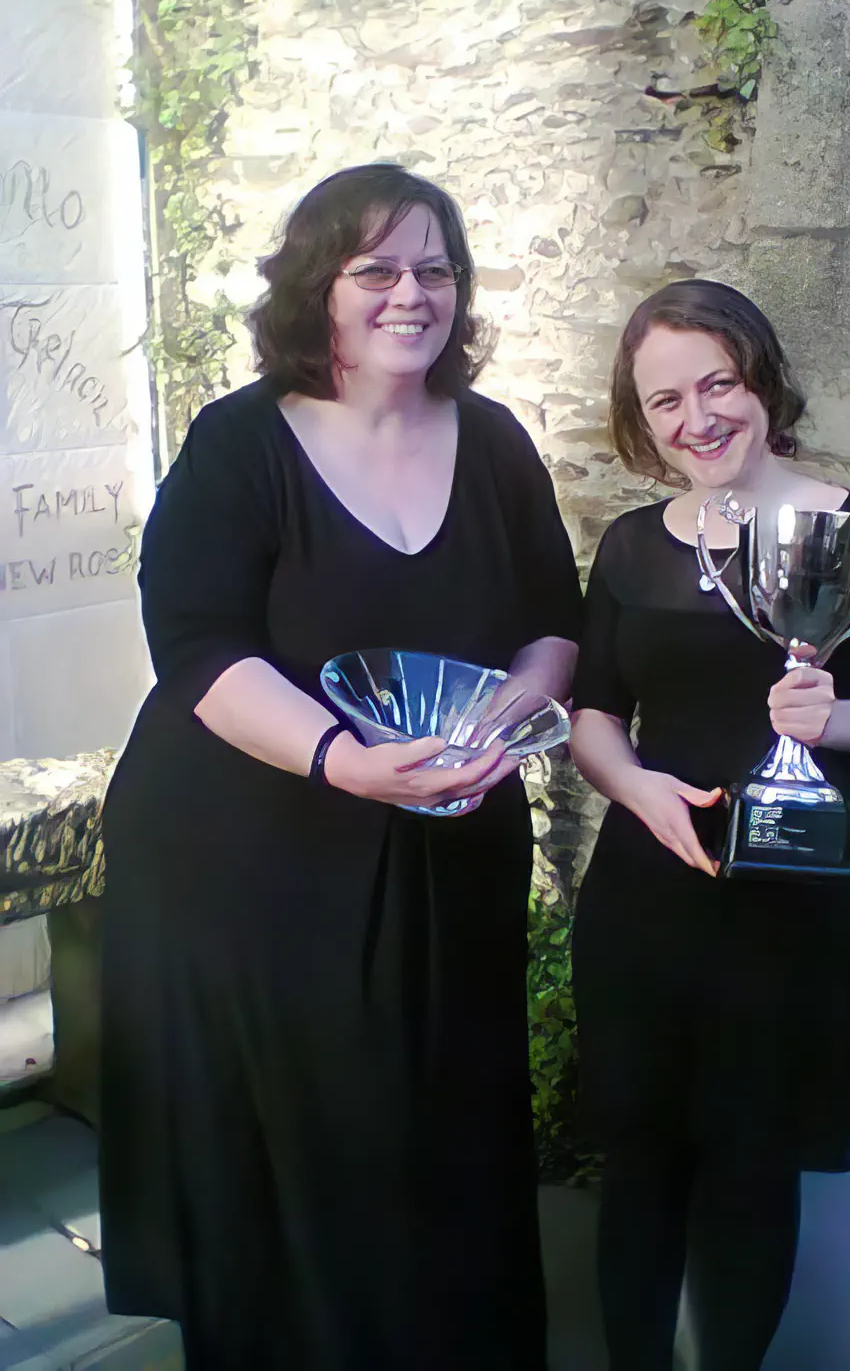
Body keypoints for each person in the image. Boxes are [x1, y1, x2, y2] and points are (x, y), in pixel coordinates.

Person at [99, 164, 581, 1370]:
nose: (411, 294)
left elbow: (555, 624)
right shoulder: (241, 442)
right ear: (319, 286)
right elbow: (198, 648)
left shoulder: (495, 441)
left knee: (443, 1141)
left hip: (447, 850)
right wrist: (341, 760)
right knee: (300, 1160)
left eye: (435, 269)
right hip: (251, 861)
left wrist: (503, 721)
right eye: (377, 270)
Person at [568, 280, 850, 1371]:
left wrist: (842, 719)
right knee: (640, 1172)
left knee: (752, 1176)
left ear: (763, 380)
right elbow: (593, 713)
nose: (698, 419)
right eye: (666, 401)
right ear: (642, 421)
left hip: (793, 909)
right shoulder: (633, 547)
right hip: (647, 903)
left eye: (718, 384)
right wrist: (636, 789)